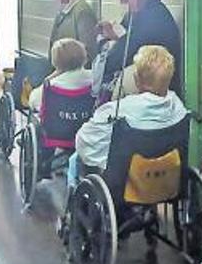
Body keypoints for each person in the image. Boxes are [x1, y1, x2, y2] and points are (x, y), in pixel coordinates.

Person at [68, 45, 187, 189]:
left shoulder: (118, 109)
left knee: (75, 158)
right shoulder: (179, 107)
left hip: (126, 184)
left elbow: (84, 140)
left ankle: (73, 205)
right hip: (166, 180)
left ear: (137, 79)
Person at [98, 0, 183, 98]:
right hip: (145, 88)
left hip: (157, 92)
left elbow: (120, 57)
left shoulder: (155, 18)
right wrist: (113, 36)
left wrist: (109, 41)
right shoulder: (137, 13)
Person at [28, 38, 93, 112]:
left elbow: (32, 102)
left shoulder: (50, 87)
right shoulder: (96, 78)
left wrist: (49, 78)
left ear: (54, 62)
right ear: (84, 56)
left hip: (56, 123)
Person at [49, 0, 98, 67]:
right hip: (62, 75)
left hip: (73, 77)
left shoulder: (82, 12)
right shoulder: (64, 9)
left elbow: (88, 51)